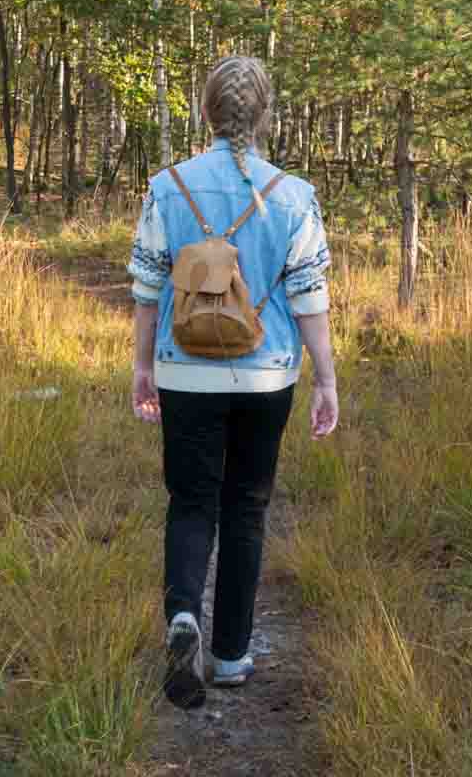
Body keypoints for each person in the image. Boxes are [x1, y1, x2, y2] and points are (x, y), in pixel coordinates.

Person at [127, 55, 339, 710]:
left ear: (207, 111)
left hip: (183, 368)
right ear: (265, 113)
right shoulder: (293, 195)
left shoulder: (168, 187)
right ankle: (230, 656)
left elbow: (145, 290)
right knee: (245, 510)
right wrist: (327, 379)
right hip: (264, 372)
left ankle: (184, 613)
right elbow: (309, 298)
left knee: (191, 503)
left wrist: (142, 368)